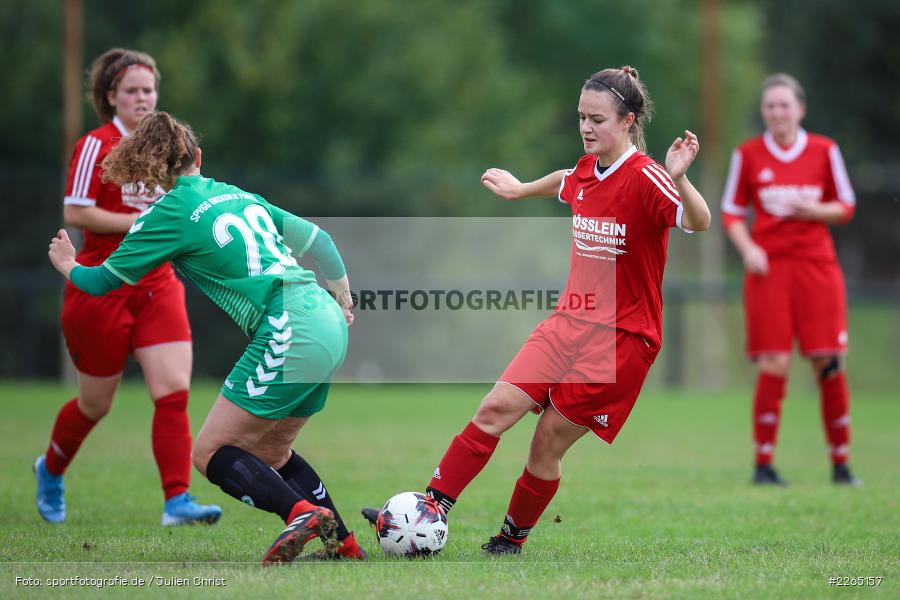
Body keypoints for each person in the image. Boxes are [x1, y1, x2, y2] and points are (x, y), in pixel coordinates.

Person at [363, 66, 711, 554]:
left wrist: (680, 178)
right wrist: (519, 188)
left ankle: (510, 539)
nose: (587, 128)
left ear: (628, 121)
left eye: (598, 119)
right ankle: (428, 509)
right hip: (568, 322)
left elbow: (699, 221)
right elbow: (564, 182)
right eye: (581, 118)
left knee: (546, 441)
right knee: (495, 408)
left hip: (623, 340)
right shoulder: (587, 170)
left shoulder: (650, 177)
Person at [48, 111, 365, 563]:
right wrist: (343, 299)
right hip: (326, 320)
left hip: (288, 324)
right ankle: (345, 548)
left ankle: (300, 513)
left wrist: (67, 264)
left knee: (211, 451)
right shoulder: (238, 195)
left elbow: (103, 283)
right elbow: (322, 242)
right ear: (198, 156)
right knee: (273, 450)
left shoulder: (167, 211)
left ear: (148, 174)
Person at [35, 48, 221, 526]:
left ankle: (177, 501)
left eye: (149, 89)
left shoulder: (167, 147)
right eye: (132, 90)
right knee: (96, 404)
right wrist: (137, 222)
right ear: (111, 96)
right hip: (102, 285)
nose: (142, 98)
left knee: (173, 391)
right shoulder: (96, 144)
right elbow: (75, 213)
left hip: (158, 285)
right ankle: (50, 468)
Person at [721, 73, 860, 486]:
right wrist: (748, 248)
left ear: (800, 108)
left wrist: (813, 211)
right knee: (774, 362)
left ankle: (841, 464)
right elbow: (731, 212)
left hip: (817, 267)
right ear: (763, 112)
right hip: (769, 270)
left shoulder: (824, 150)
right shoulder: (747, 154)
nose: (778, 112)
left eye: (785, 105)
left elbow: (846, 206)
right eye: (770, 106)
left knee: (827, 360)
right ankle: (763, 464)